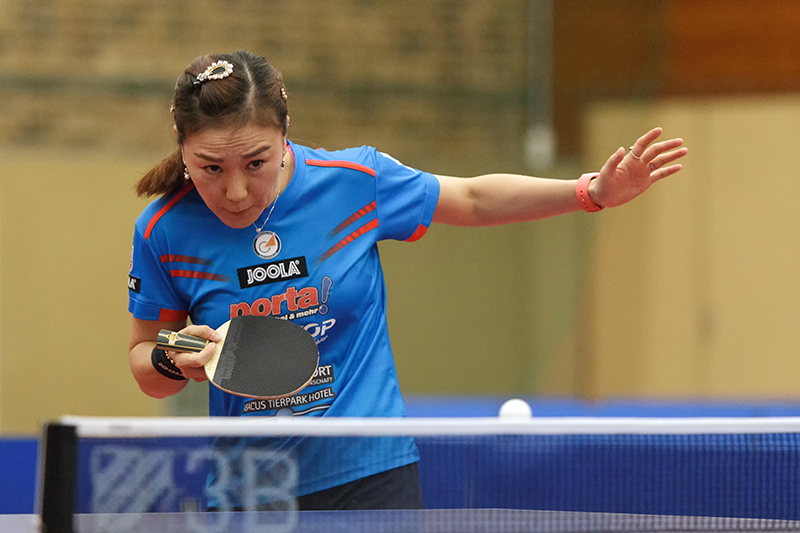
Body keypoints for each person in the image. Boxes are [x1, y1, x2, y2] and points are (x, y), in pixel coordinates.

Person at [127, 50, 687, 510]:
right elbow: (145, 359)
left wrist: (589, 192)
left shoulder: (354, 182)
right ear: (181, 143)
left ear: (285, 132)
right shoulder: (164, 231)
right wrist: (175, 356)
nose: (235, 191)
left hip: (370, 474)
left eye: (256, 163)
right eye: (211, 168)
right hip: (251, 491)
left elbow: (472, 199)